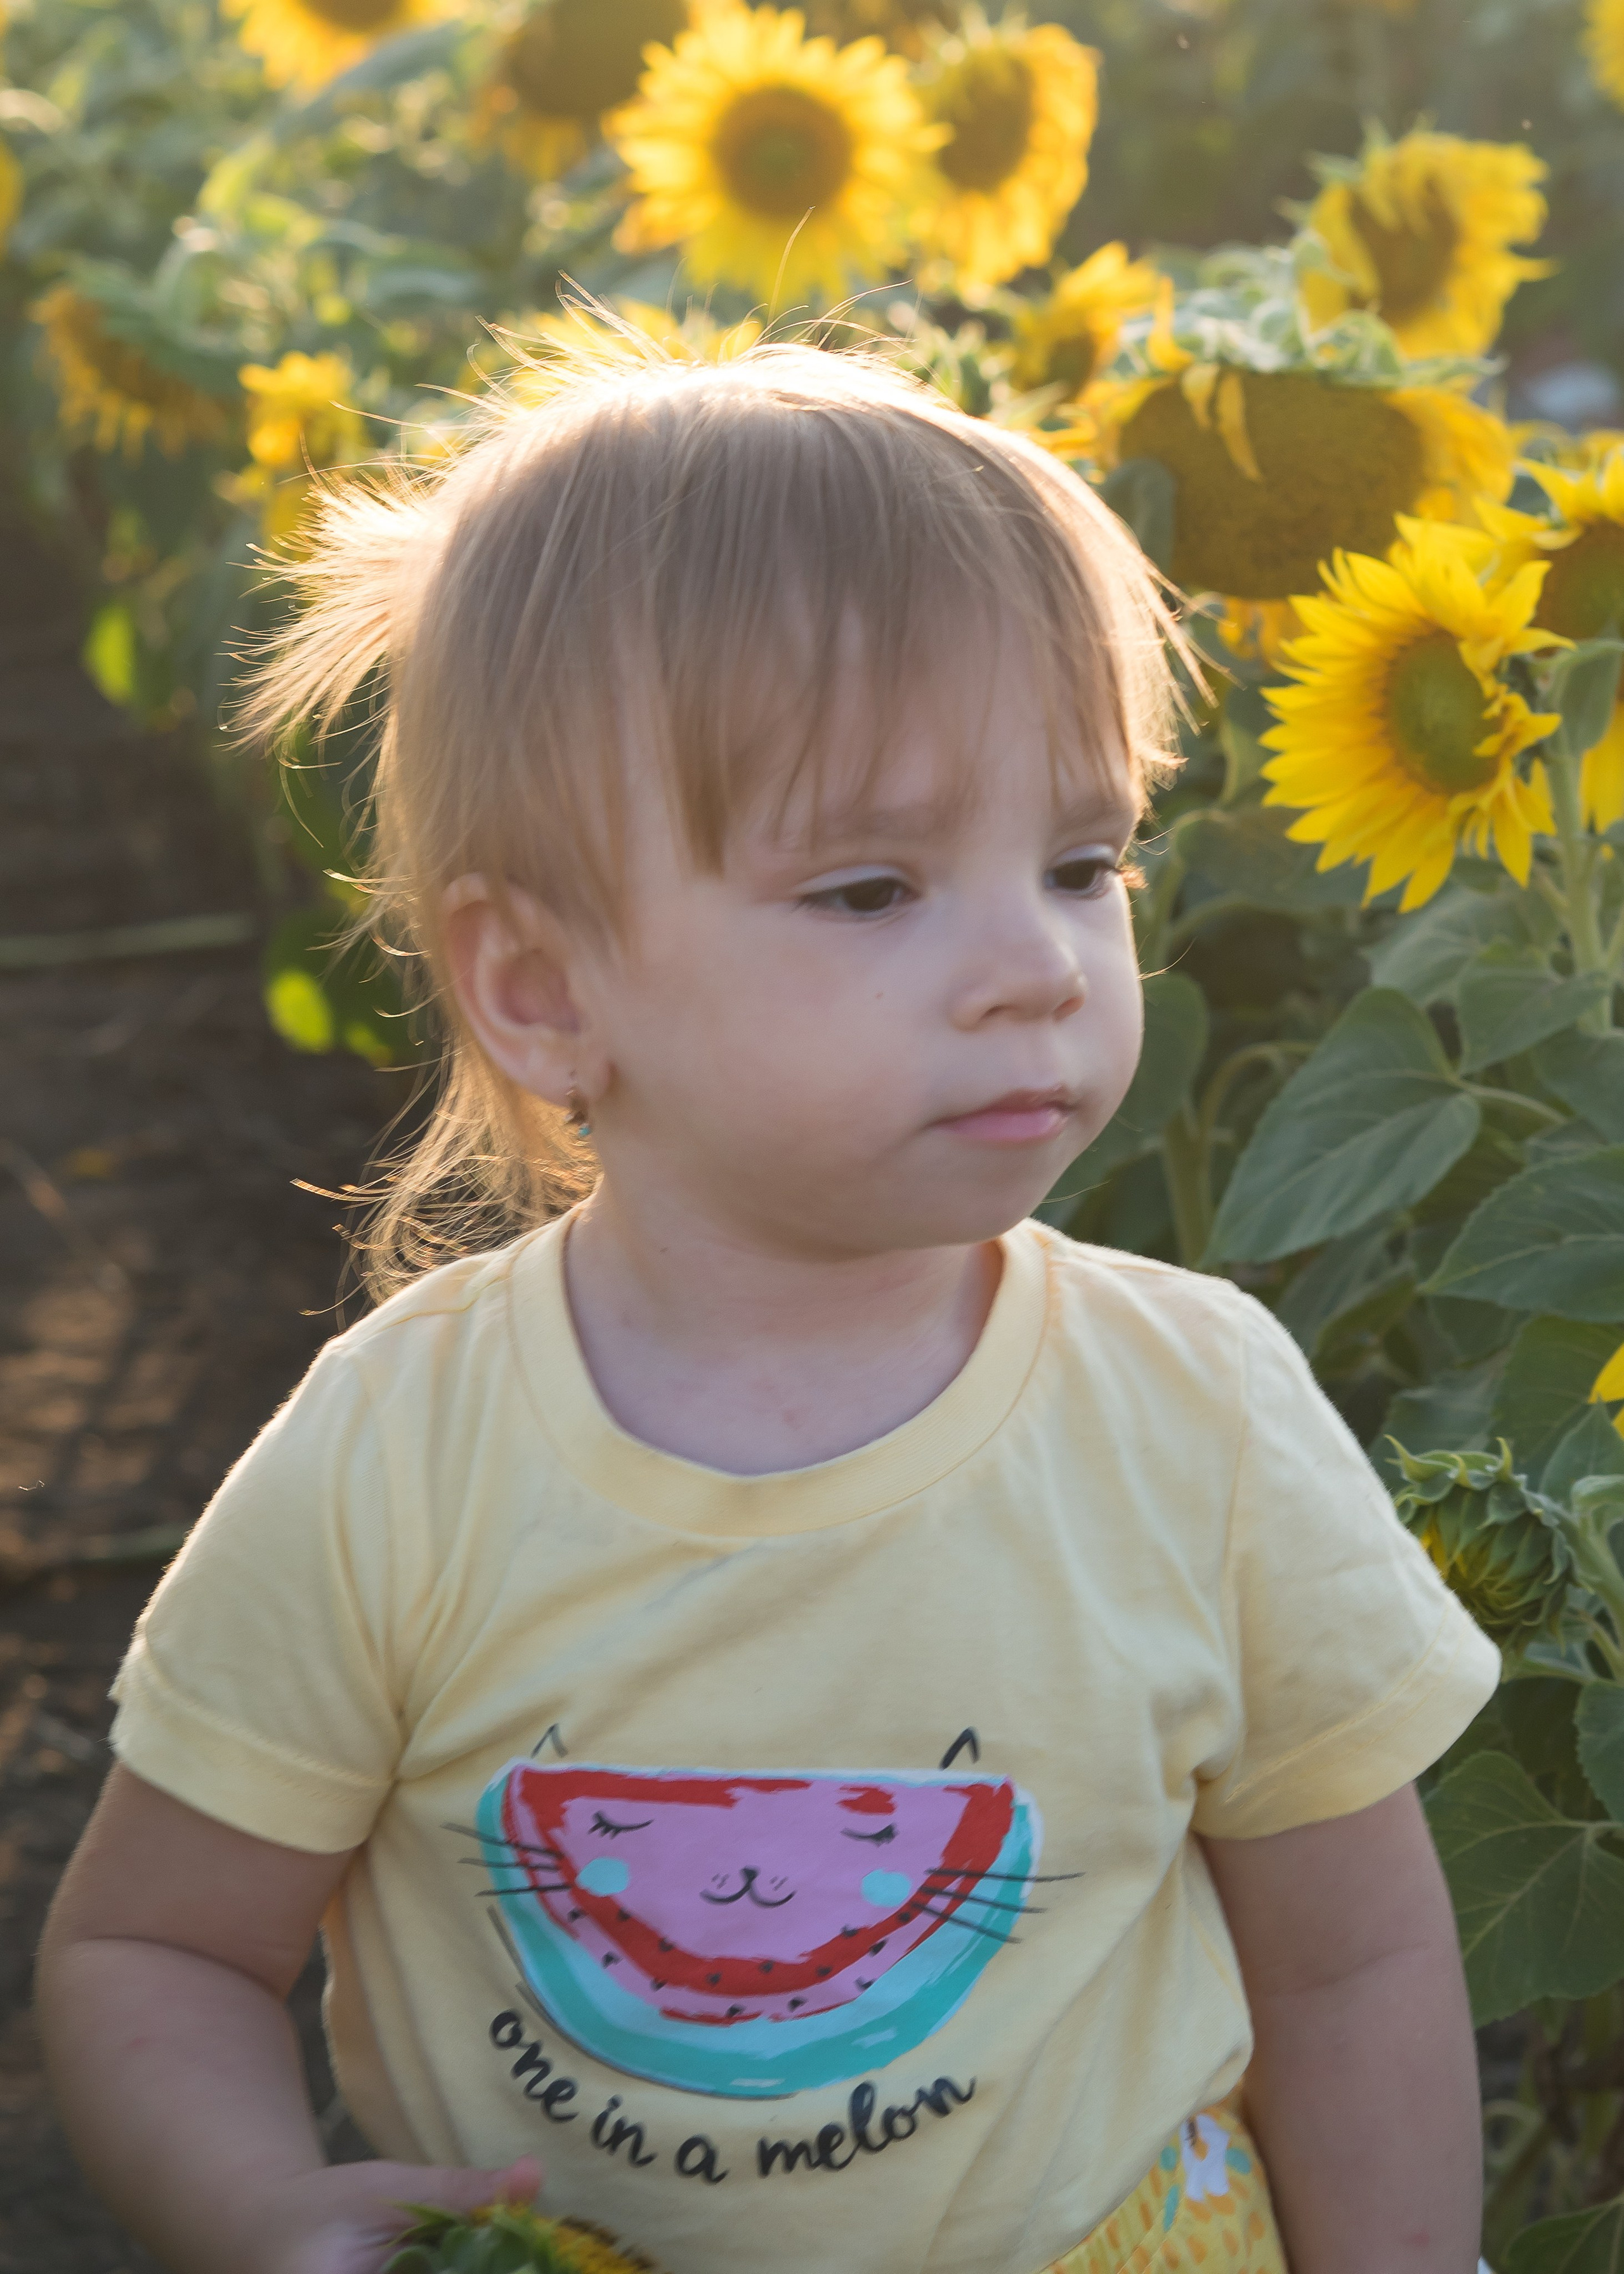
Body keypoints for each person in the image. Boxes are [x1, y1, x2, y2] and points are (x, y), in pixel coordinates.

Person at [37, 332, 1498, 2274]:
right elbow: (157, 1943)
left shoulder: (1198, 1413)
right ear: (545, 988)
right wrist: (262, 2211)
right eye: (873, 888)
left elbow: (1355, 1959)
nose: (1035, 966)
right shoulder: (401, 1458)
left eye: (1082, 860)